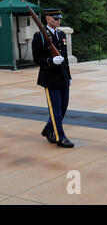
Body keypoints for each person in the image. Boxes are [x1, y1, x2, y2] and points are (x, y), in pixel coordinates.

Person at [32, 8, 74, 148]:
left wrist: (69, 75)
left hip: (62, 77)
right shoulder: (41, 36)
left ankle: (48, 129)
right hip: (50, 78)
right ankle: (59, 137)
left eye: (59, 18)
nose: (58, 20)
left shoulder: (61, 33)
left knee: (63, 107)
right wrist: (51, 61)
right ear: (47, 19)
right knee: (55, 109)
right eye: (55, 18)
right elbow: (37, 59)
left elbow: (65, 58)